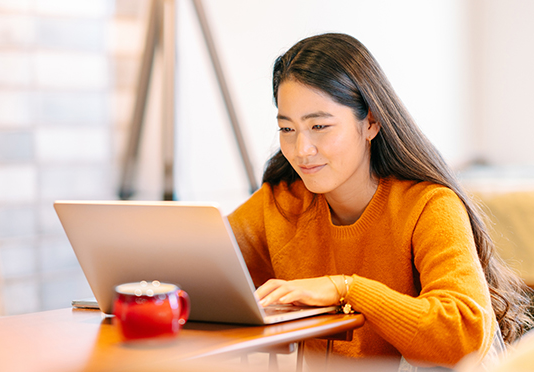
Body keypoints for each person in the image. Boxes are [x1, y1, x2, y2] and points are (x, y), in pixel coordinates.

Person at [227, 33, 533, 370]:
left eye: (319, 126)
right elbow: (205, 267)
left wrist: (347, 289)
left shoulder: (429, 205)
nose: (302, 150)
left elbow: (462, 335)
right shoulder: (282, 203)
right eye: (287, 129)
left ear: (371, 121)